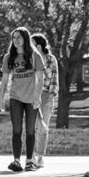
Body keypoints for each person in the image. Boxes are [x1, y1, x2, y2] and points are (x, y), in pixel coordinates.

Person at [0, 26, 45, 172]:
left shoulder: (34, 55)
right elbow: (5, 80)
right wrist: (1, 98)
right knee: (17, 130)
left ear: (25, 38)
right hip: (15, 97)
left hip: (31, 97)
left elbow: (40, 78)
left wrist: (37, 96)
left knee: (31, 130)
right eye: (14, 37)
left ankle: (30, 161)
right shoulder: (9, 57)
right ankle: (16, 161)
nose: (16, 40)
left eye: (19, 37)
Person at [31, 32, 59, 168]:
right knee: (31, 127)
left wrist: (51, 95)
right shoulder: (29, 58)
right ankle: (31, 156)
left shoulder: (50, 59)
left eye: (32, 44)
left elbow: (54, 78)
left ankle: (40, 156)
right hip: (31, 95)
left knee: (43, 127)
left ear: (39, 46)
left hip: (46, 94)